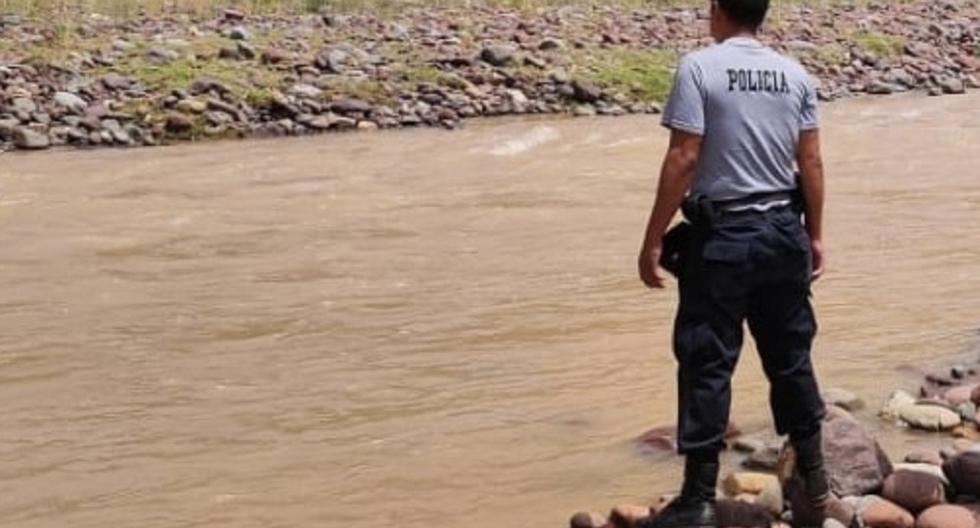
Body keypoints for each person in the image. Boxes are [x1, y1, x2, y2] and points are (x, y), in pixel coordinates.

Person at [635, 0, 853, 526]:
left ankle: (698, 498)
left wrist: (652, 239)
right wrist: (815, 235)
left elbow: (684, 156)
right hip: (783, 232)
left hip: (723, 238)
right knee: (791, 356)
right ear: (763, 13)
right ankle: (816, 483)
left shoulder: (699, 67)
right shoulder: (794, 73)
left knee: (707, 360)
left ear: (717, 10)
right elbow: (811, 161)